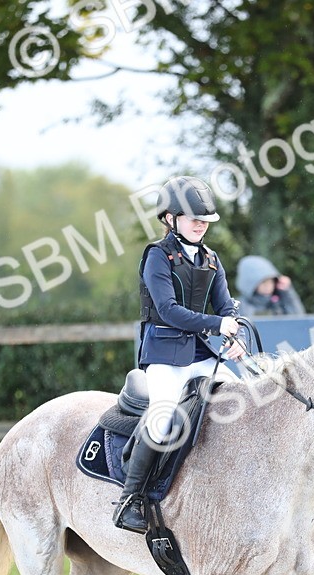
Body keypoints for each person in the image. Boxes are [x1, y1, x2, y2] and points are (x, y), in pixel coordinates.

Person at [114, 175, 246, 533]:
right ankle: (130, 499)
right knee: (162, 421)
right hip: (163, 354)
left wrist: (234, 335)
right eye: (193, 219)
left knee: (246, 399)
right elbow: (168, 310)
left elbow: (225, 306)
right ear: (170, 218)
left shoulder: (211, 259)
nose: (201, 225)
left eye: (205, 220)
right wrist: (217, 324)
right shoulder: (157, 256)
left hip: (201, 354)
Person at [236, 255, 306, 316]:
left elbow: (298, 320)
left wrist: (288, 293)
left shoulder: (280, 302)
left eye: (271, 281)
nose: (268, 286)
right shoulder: (240, 306)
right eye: (263, 282)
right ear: (250, 283)